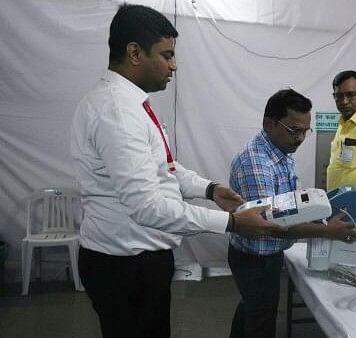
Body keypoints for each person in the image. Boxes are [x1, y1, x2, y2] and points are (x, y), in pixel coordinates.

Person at [70, 5, 282, 338]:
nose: (174, 65)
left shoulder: (131, 104)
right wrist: (232, 223)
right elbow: (147, 206)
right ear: (135, 52)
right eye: (167, 55)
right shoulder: (117, 112)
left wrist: (211, 189)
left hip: (139, 257)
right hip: (125, 264)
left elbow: (165, 168)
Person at [228, 89, 356, 338]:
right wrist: (327, 231)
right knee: (261, 320)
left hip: (265, 254)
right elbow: (273, 227)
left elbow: (289, 203)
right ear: (269, 123)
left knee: (252, 309)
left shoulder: (280, 150)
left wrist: (315, 213)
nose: (300, 138)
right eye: (293, 131)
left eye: (304, 131)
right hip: (254, 259)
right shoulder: (257, 164)